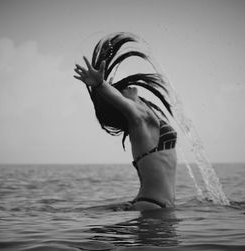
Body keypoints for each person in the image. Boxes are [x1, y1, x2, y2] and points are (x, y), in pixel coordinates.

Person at [74, 32, 177, 211]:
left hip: (159, 206)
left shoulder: (145, 113)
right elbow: (121, 103)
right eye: (118, 91)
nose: (124, 87)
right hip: (152, 205)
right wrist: (100, 85)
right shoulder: (137, 119)